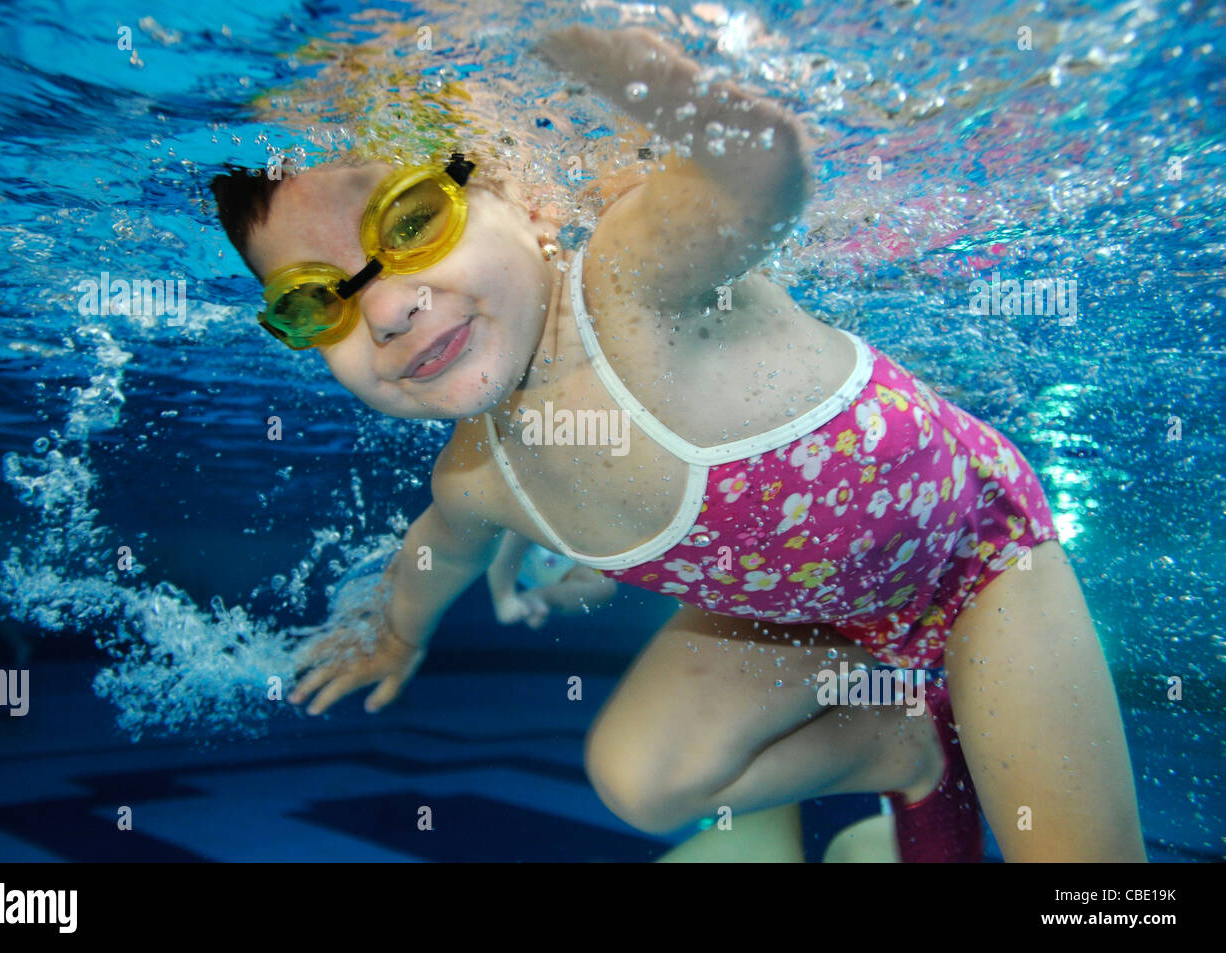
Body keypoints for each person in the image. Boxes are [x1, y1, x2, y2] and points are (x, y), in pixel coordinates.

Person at [211, 25, 1145, 861]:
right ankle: (900, 742)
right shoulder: (479, 475)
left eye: (413, 222)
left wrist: (600, 56)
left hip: (973, 562)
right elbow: (437, 549)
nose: (383, 307)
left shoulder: (630, 279)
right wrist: (397, 637)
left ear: (526, 203)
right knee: (637, 775)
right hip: (809, 624)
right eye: (315, 299)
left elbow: (761, 175)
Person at [487, 530, 617, 628]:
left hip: (572, 553)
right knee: (514, 526)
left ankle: (540, 598)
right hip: (524, 541)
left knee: (603, 586)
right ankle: (503, 595)